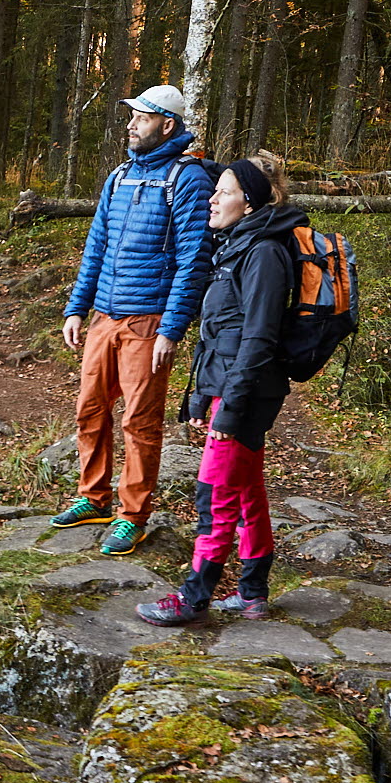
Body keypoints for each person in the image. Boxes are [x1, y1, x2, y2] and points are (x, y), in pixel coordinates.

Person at [136, 150, 302, 625]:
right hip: (227, 387)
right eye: (215, 189)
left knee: (215, 494)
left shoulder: (265, 253)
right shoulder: (236, 245)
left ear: (248, 203)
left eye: (223, 192)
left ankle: (193, 598)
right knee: (247, 490)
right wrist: (200, 394)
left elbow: (258, 338)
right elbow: (220, 332)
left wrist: (229, 407)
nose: (212, 199)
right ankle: (253, 592)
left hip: (246, 392)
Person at [51, 83, 213, 557]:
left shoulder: (188, 179)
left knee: (140, 422)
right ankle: (93, 497)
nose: (131, 125)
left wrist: (172, 328)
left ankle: (131, 516)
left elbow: (193, 261)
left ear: (167, 125)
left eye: (140, 118)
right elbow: (95, 247)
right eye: (132, 117)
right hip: (104, 315)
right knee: (90, 410)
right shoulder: (119, 176)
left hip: (149, 320)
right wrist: (77, 307)